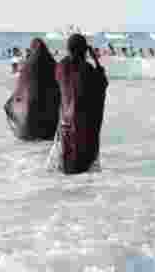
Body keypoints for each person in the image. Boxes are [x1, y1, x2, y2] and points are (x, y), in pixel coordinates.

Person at [51, 34, 108, 174]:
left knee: (67, 169)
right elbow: (102, 85)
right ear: (84, 50)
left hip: (65, 125)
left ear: (68, 49)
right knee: (84, 171)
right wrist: (95, 60)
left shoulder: (61, 67)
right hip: (84, 128)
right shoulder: (87, 69)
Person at [5, 37, 61, 141]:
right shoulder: (54, 66)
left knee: (10, 106)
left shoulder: (26, 69)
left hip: (26, 132)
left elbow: (13, 100)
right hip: (50, 131)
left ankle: (24, 128)